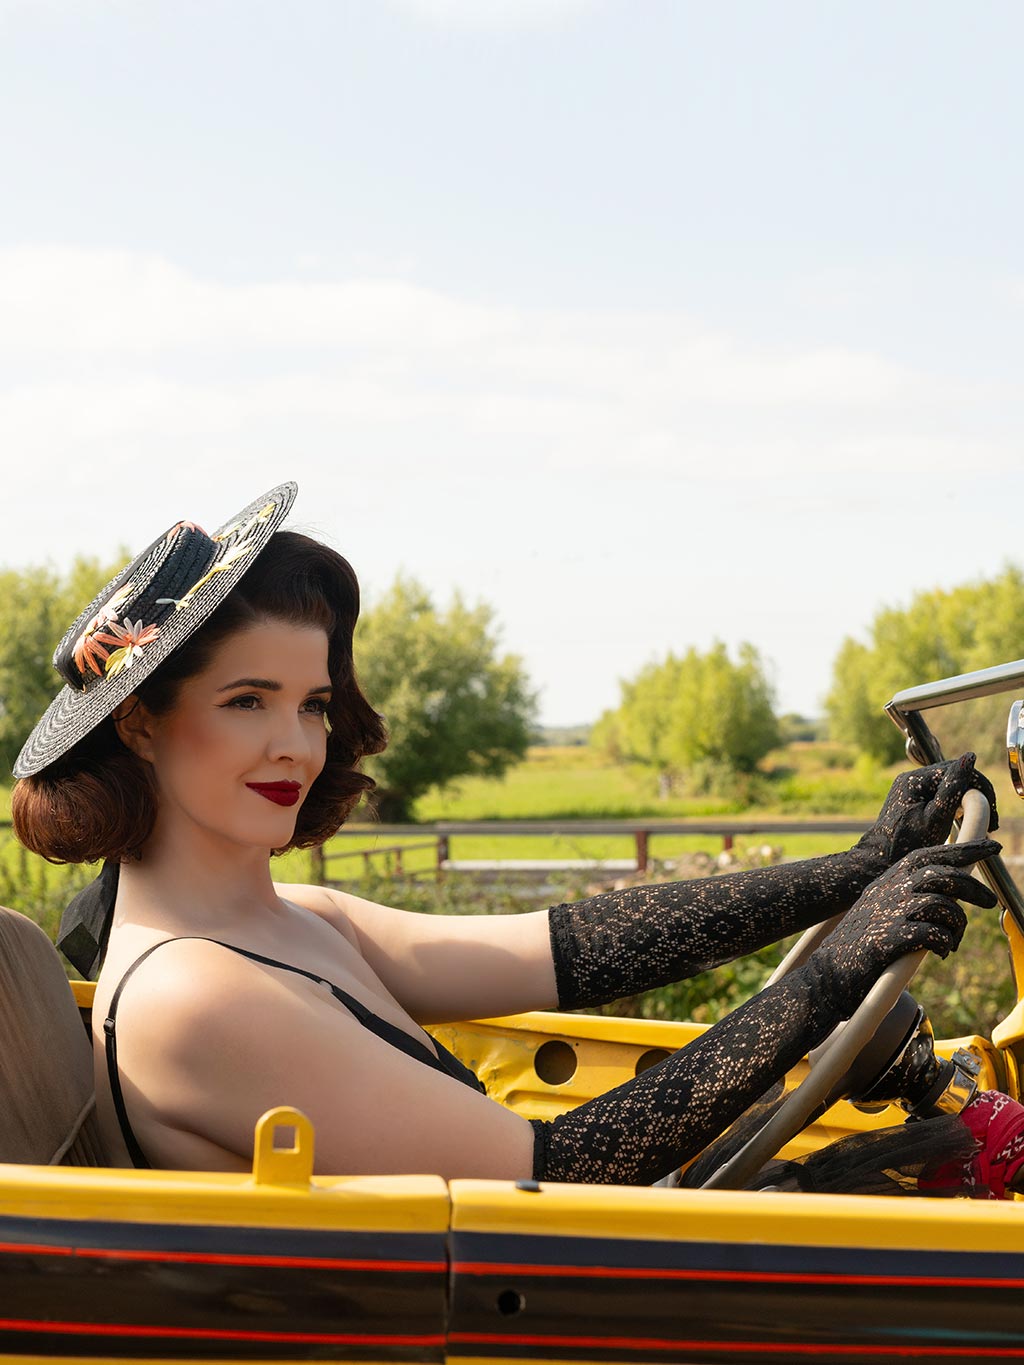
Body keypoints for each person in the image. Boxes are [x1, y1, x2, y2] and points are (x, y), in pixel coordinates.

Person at [8, 481, 1014, 1190]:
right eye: (245, 701)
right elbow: (553, 1173)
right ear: (137, 723)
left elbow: (570, 950)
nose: (294, 746)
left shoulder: (286, 921)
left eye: (311, 704)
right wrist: (836, 972)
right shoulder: (196, 994)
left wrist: (854, 869)